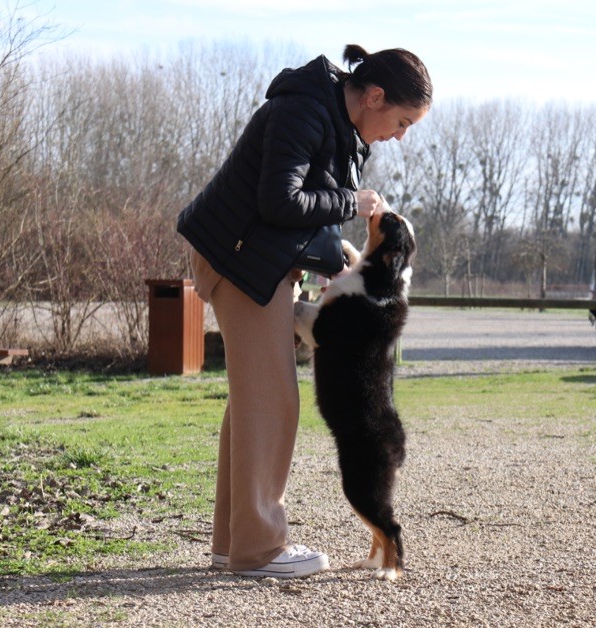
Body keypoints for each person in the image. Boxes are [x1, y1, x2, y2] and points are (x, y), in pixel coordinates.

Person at [176, 45, 432, 578]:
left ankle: (233, 543)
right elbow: (280, 201)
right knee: (272, 401)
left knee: (254, 401)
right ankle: (260, 550)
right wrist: (351, 203)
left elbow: (304, 215)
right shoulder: (305, 111)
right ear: (375, 97)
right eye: (403, 122)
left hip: (260, 260)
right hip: (239, 260)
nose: (400, 136)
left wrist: (330, 259)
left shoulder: (340, 125)